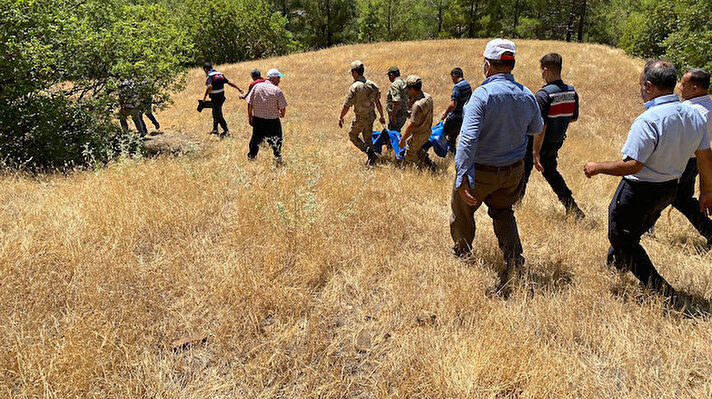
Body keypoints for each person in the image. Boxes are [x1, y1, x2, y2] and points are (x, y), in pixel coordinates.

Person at [583, 60, 712, 300]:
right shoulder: (695, 116)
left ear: (649, 86)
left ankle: (662, 292)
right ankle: (617, 265)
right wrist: (706, 191)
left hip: (639, 189)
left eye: (642, 85)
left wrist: (597, 167)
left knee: (621, 236)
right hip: (669, 189)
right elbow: (705, 157)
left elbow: (633, 164)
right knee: (634, 231)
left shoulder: (649, 120)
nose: (641, 89)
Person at [451, 39, 544, 285]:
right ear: (511, 64)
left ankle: (463, 251)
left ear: (487, 66)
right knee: (503, 212)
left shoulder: (481, 96)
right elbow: (537, 127)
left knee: (462, 209)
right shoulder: (526, 95)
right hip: (513, 171)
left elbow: (468, 140)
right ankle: (514, 259)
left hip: (482, 171)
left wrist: (461, 177)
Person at [522, 53, 584, 219]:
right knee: (551, 173)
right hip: (556, 141)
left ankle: (515, 205)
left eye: (541, 70)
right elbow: (574, 117)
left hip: (537, 143)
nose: (541, 74)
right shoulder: (572, 92)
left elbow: (540, 127)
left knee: (523, 173)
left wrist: (535, 152)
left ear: (546, 70)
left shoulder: (543, 95)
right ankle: (572, 208)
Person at [670, 68, 712, 247]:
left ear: (695, 88)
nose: (680, 87)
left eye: (684, 84)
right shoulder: (709, 107)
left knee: (667, 194)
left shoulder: (690, 110)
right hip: (696, 160)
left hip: (682, 160)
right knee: (679, 197)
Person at [338, 60, 386, 166]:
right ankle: (372, 158)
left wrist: (341, 117)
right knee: (367, 137)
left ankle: (369, 152)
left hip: (361, 118)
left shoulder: (354, 87)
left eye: (352, 72)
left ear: (355, 72)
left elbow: (347, 105)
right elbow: (378, 103)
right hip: (371, 116)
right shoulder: (372, 85)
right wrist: (382, 116)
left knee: (352, 135)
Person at [245, 68, 288, 163]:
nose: (279, 80)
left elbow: (249, 103)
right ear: (273, 78)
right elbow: (283, 107)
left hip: (258, 119)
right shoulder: (277, 90)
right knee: (277, 139)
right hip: (272, 121)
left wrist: (250, 117)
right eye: (278, 78)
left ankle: (252, 156)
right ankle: (277, 158)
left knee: (255, 139)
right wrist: (282, 114)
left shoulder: (257, 86)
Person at [398, 75, 435, 169]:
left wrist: (402, 140)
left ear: (413, 89)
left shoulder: (417, 105)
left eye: (408, 89)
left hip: (419, 134)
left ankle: (419, 170)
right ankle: (429, 163)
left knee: (410, 154)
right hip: (427, 131)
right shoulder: (428, 97)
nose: (407, 91)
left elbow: (411, 124)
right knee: (418, 149)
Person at [201, 62, 243, 136]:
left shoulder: (210, 76)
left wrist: (204, 96)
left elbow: (210, 86)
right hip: (221, 98)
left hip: (215, 99)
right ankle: (215, 129)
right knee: (215, 112)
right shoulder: (220, 74)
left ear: (206, 69)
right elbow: (229, 82)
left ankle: (226, 130)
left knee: (218, 115)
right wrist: (238, 88)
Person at [440, 67, 472, 154]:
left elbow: (453, 105)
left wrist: (445, 113)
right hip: (463, 116)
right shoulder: (467, 85)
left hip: (455, 116)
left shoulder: (457, 87)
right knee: (453, 137)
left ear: (455, 76)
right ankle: (453, 154)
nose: (452, 80)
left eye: (452, 77)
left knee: (440, 134)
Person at [386, 66, 409, 132]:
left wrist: (393, 117)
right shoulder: (404, 82)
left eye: (389, 75)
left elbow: (397, 102)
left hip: (397, 115)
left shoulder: (395, 84)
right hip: (403, 114)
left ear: (391, 75)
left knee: (394, 135)